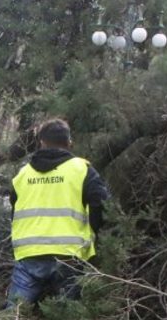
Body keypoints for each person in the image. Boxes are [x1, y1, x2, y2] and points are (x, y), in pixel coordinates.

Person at [7, 117, 109, 308]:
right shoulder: (82, 170)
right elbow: (102, 208)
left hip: (29, 254)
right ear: (69, 142)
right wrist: (96, 241)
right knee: (69, 319)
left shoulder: (23, 174)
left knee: (12, 318)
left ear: (42, 142)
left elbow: (14, 213)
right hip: (70, 255)